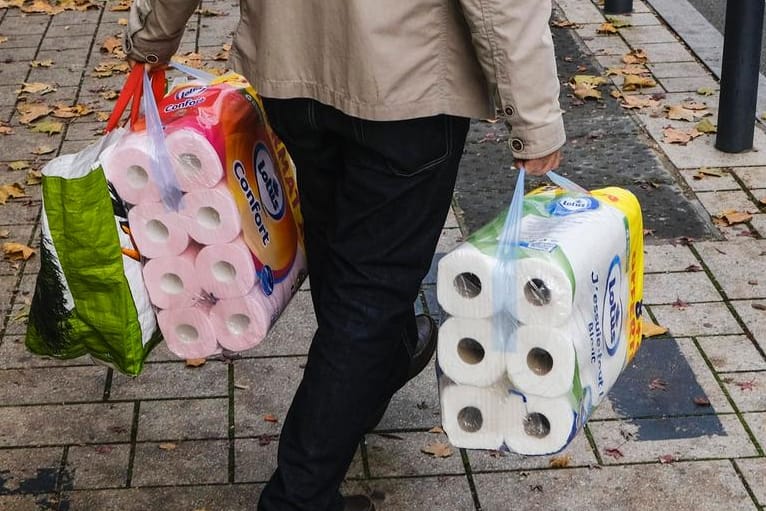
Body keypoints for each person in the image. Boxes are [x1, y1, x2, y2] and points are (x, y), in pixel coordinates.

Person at [125, 1, 565, 510]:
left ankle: (380, 363)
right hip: (407, 84)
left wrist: (152, 39)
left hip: (289, 66)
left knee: (340, 244)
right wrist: (534, 117)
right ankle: (300, 498)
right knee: (370, 291)